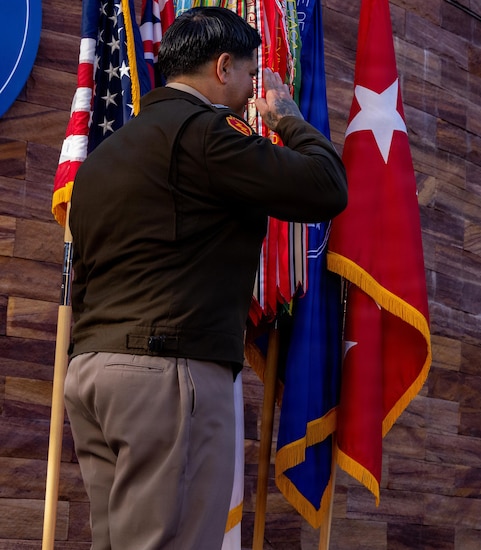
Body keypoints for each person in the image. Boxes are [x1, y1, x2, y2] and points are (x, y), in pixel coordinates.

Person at [63, 7, 347, 549]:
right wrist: (286, 116)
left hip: (93, 375)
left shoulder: (106, 155)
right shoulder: (206, 134)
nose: (251, 92)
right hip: (169, 373)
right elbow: (327, 185)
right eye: (249, 74)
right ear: (222, 67)